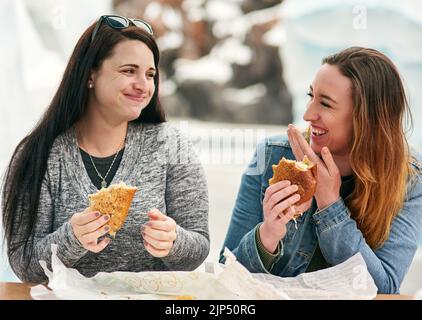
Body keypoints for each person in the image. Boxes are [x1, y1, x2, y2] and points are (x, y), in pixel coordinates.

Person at [1, 15, 209, 284]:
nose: (143, 85)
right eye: (128, 71)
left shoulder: (171, 145)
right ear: (90, 74)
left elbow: (199, 246)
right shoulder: (38, 155)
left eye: (150, 74)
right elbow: (23, 264)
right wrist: (71, 239)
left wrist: (175, 242)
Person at [220, 47, 422, 294]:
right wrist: (267, 236)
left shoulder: (410, 180)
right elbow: (225, 273)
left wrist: (329, 205)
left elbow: (383, 289)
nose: (307, 114)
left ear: (366, 119)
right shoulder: (271, 155)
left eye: (325, 104)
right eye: (310, 95)